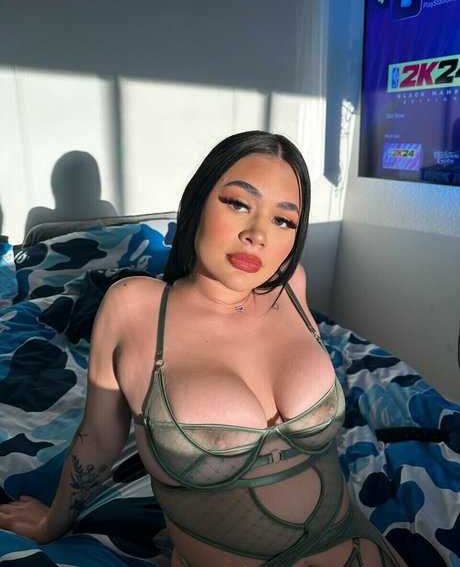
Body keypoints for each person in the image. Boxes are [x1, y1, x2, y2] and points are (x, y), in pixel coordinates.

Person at [0, 131, 408, 567]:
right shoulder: (134, 306)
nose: (257, 235)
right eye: (238, 203)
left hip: (360, 548)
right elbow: (99, 438)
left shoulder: (292, 285)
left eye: (283, 220)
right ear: (198, 202)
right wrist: (51, 525)